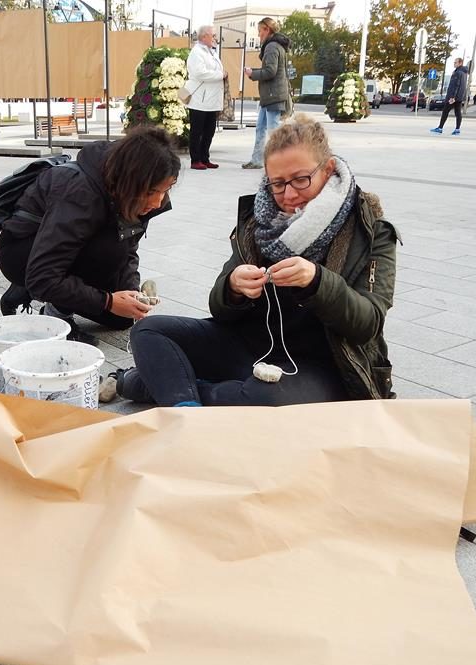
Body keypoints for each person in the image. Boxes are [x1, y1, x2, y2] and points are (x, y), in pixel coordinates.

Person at [112, 113, 398, 407]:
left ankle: (165, 387)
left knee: (266, 398)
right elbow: (219, 310)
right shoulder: (257, 222)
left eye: (301, 179)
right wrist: (233, 288)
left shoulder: (370, 230)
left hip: (320, 365)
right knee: (149, 330)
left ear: (328, 169)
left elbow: (368, 324)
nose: (289, 194)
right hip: (248, 347)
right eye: (278, 183)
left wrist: (318, 281)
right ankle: (188, 409)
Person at [0, 127, 179, 345]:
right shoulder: (81, 192)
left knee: (122, 318)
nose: (158, 202)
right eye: (151, 192)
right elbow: (43, 276)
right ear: (131, 180)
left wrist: (130, 291)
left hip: (57, 251)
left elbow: (129, 248)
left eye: (166, 189)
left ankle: (33, 290)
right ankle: (57, 315)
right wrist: (109, 301)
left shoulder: (133, 191)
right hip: (23, 254)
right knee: (107, 252)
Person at [242, 17, 292, 170]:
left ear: (267, 29)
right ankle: (257, 160)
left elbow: (271, 71)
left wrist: (252, 73)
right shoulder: (276, 46)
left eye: (260, 31)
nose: (258, 35)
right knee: (261, 128)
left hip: (273, 95)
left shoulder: (271, 47)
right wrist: (254, 72)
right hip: (269, 96)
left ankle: (279, 163)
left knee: (273, 131)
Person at [186, 25, 226, 171]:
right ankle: (195, 159)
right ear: (204, 37)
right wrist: (220, 75)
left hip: (211, 99)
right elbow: (200, 73)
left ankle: (204, 158)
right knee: (197, 131)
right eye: (213, 35)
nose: (215, 38)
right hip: (199, 100)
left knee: (209, 130)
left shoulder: (211, 52)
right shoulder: (196, 52)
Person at [430, 58, 467, 136]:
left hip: (453, 97)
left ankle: (440, 128)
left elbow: (455, 85)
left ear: (460, 63)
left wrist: (453, 97)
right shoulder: (464, 73)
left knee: (445, 112)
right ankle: (457, 129)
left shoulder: (457, 73)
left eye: (455, 62)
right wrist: (459, 96)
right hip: (459, 97)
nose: (454, 64)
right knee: (458, 113)